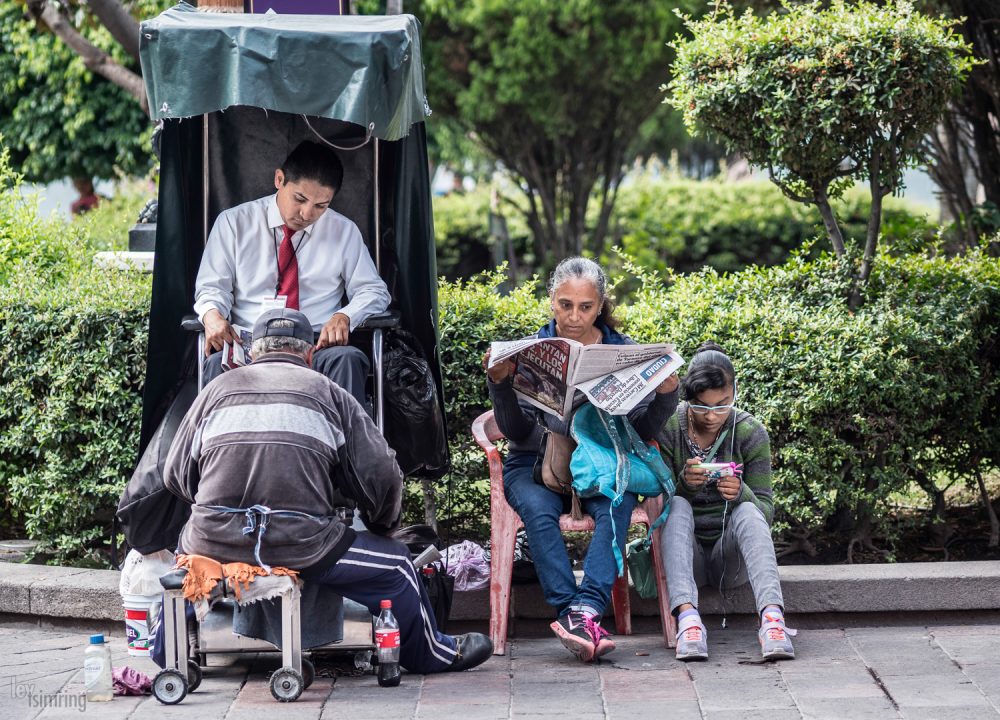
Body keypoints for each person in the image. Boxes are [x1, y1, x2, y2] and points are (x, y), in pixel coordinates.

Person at [163, 308, 492, 674]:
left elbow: (175, 475)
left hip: (213, 541)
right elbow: (383, 476)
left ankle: (167, 651)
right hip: (303, 544)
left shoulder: (215, 391)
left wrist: (217, 509)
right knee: (397, 564)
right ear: (310, 355)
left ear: (253, 352)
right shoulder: (327, 391)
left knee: (183, 562)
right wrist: (382, 525)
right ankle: (433, 654)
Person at [484, 257, 679, 662]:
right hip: (536, 464)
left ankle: (584, 609)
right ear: (551, 301)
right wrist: (500, 384)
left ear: (601, 304)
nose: (574, 316)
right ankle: (574, 613)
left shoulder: (623, 352)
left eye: (586, 306)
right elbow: (517, 433)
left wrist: (666, 396)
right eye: (565, 304)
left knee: (617, 502)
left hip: (602, 461)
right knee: (537, 512)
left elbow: (641, 433)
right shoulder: (529, 351)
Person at [193, 141, 391, 404]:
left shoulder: (343, 231)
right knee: (217, 364)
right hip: (250, 347)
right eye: (300, 198)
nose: (307, 214)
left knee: (349, 359)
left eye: (321, 206)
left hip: (316, 347)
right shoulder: (233, 223)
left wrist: (345, 315)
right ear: (279, 179)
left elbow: (374, 290)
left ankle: (345, 446)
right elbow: (211, 289)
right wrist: (212, 316)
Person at [656, 342, 795, 661]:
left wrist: (741, 493)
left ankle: (773, 621)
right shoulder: (669, 429)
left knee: (748, 509)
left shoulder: (750, 432)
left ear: (734, 392)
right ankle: (688, 620)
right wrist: (684, 487)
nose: (714, 416)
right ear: (688, 398)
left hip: (729, 559)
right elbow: (656, 512)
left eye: (723, 405)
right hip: (683, 557)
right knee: (676, 506)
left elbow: (765, 512)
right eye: (702, 407)